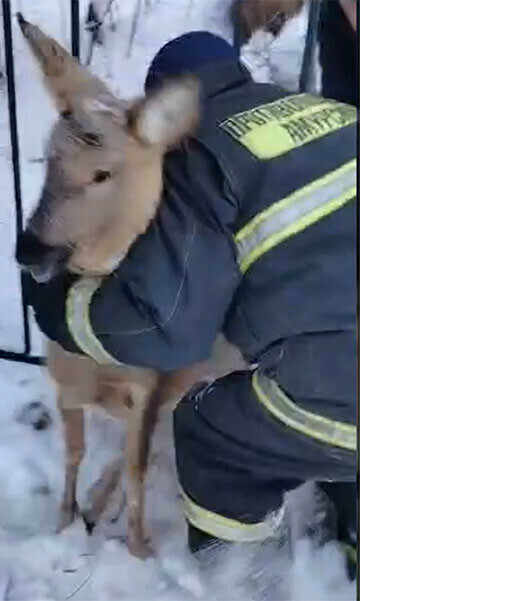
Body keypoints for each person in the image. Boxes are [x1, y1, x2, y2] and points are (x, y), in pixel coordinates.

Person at [23, 25, 358, 570]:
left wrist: (60, 306)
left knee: (211, 434)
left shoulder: (196, 158)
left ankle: (242, 578)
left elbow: (172, 327)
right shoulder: (317, 110)